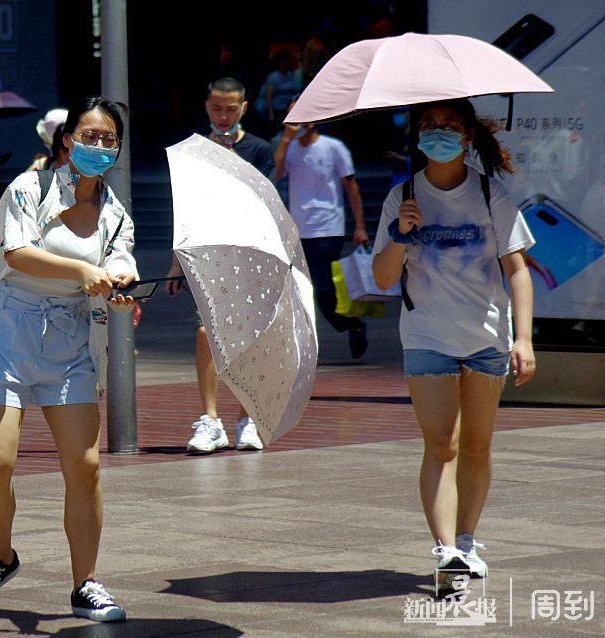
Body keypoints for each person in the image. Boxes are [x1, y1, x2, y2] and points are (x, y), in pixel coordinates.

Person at [0, 97, 137, 623]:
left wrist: (119, 286)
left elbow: (120, 267)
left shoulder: (116, 214)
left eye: (108, 139)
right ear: (67, 140)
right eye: (88, 135)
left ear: (117, 148)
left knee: (86, 466)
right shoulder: (28, 189)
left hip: (70, 340)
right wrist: (82, 274)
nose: (98, 146)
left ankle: (86, 584)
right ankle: (1, 557)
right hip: (6, 328)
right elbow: (17, 253)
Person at [372, 98, 536, 587]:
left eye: (447, 126)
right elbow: (382, 278)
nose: (437, 133)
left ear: (466, 136)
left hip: (486, 337)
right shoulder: (403, 194)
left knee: (478, 446)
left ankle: (467, 540)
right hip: (426, 336)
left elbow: (518, 271)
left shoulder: (491, 195)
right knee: (441, 444)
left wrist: (523, 338)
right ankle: (445, 551)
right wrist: (402, 233)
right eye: (428, 126)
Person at [165, 77, 274, 454]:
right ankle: (210, 419)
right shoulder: (193, 151)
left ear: (243, 108)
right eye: (216, 108)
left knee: (246, 339)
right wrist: (175, 264)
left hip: (250, 255)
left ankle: (247, 417)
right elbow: (186, 210)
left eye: (230, 109)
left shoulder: (260, 149)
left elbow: (263, 201)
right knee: (205, 334)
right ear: (206, 105)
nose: (223, 116)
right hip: (207, 254)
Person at [273, 98, 369, 360]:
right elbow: (276, 172)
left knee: (324, 288)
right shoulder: (290, 148)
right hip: (298, 228)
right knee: (303, 288)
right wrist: (285, 139)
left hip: (328, 226)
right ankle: (326, 332)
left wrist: (359, 226)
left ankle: (352, 323)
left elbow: (351, 187)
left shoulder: (333, 148)